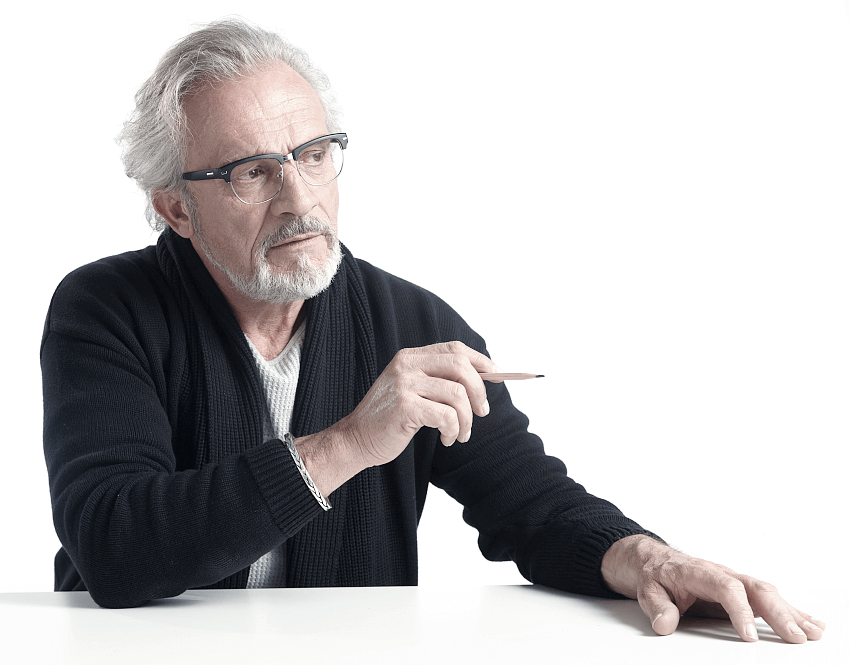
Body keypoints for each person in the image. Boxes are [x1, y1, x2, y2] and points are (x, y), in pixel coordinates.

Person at [41, 18, 823, 644]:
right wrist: (349, 443)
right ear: (176, 207)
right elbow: (113, 543)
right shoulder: (104, 308)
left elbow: (534, 509)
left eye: (313, 154)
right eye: (252, 170)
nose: (298, 198)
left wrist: (650, 558)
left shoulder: (411, 322)